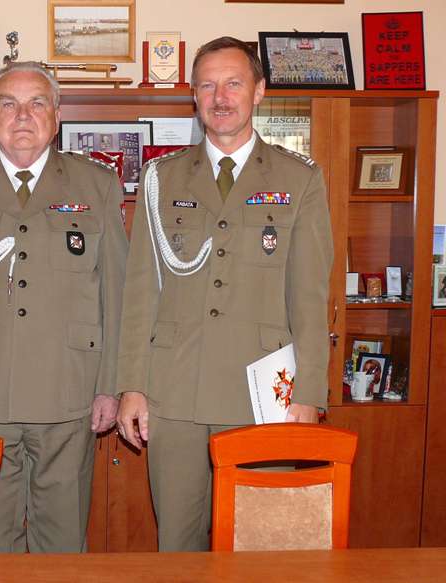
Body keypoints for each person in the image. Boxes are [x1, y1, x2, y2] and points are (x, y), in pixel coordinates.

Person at [115, 36, 334, 551]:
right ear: (194, 96)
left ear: (259, 91)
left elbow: (309, 296)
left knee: (258, 543)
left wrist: (308, 394)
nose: (220, 97)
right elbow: (141, 291)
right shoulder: (161, 178)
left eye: (233, 83)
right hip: (175, 392)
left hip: (263, 394)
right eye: (207, 86)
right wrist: (132, 385)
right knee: (178, 544)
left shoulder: (298, 178)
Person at [0, 62, 128, 553]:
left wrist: (111, 386)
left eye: (37, 104)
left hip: (68, 390)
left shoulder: (96, 184)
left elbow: (116, 293)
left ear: (56, 116)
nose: (23, 116)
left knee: (63, 538)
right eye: (8, 104)